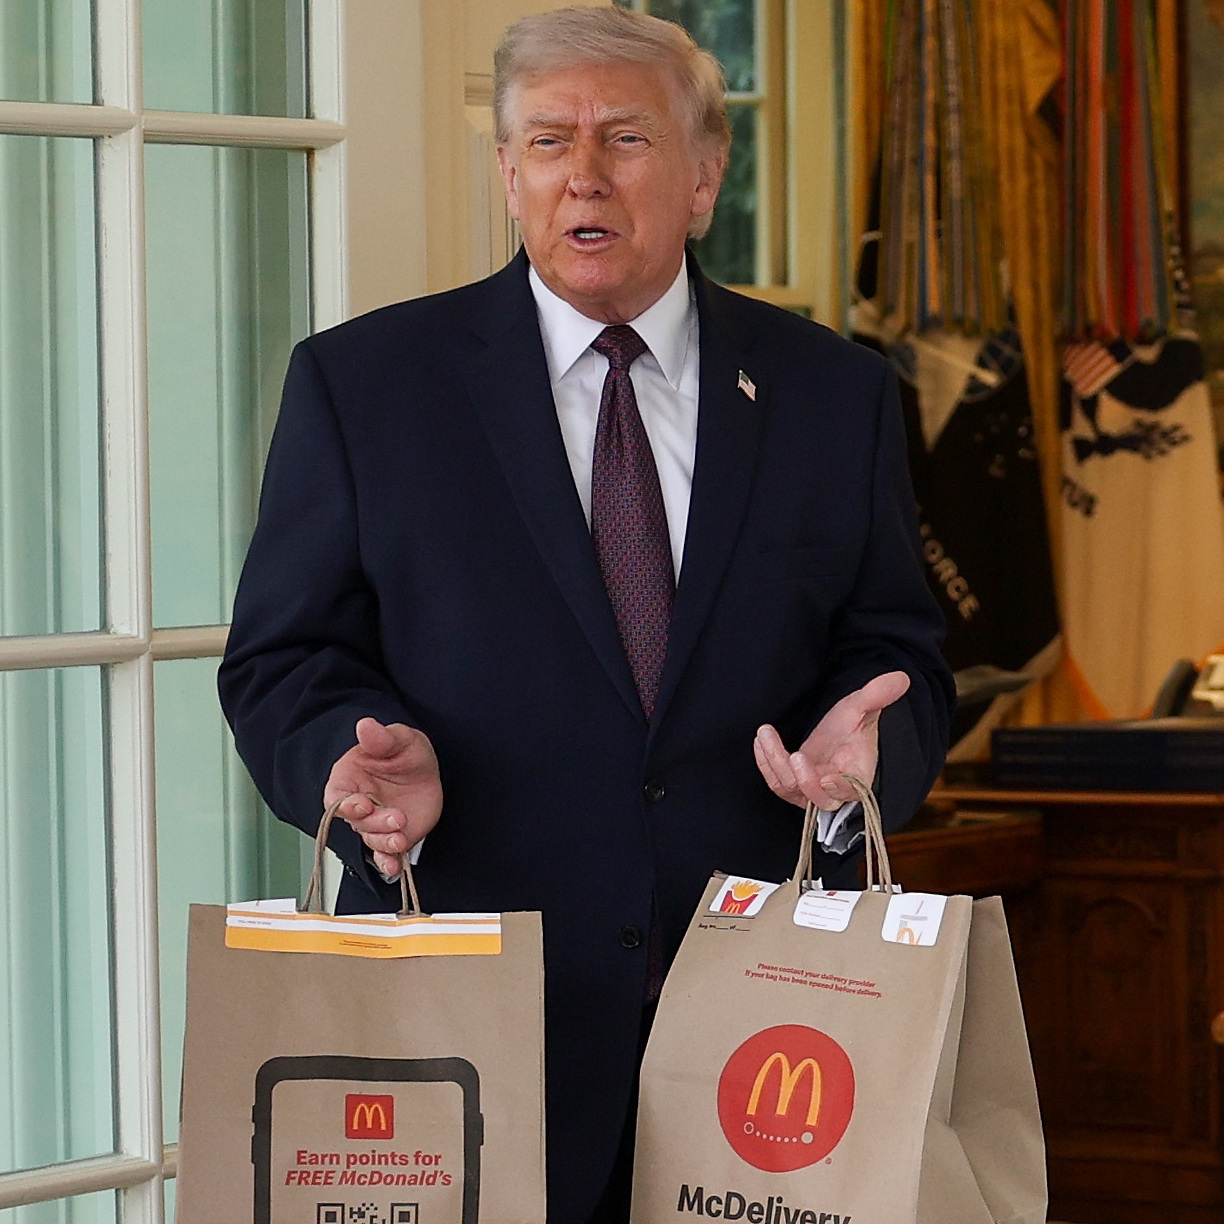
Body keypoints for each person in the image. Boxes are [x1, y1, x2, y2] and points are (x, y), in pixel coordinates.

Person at [218, 8, 954, 1223]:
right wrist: (351, 768)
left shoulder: (836, 393)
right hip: (468, 1037)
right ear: (509, 176)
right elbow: (285, 657)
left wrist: (864, 764)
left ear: (706, 176)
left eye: (626, 138)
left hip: (767, 1046)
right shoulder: (364, 386)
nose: (584, 174)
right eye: (549, 142)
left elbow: (896, 652)